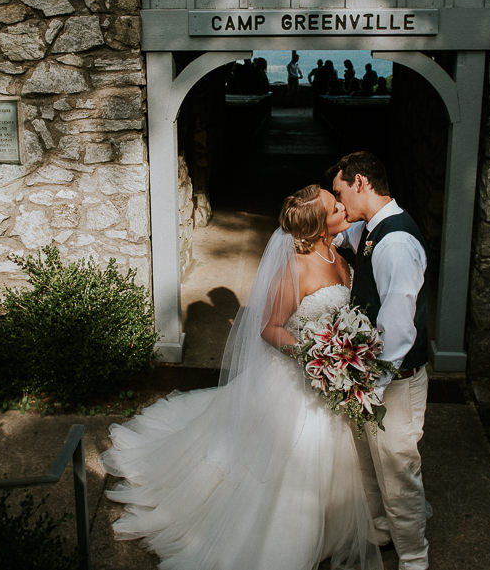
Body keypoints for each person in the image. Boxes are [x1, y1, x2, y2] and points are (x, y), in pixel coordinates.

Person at [102, 185, 381, 570]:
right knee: (282, 464)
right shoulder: (296, 267)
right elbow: (270, 327)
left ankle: (326, 530)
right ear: (321, 226)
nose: (344, 208)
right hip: (299, 378)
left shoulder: (338, 252)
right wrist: (316, 357)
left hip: (328, 379)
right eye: (336, 208)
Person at [329, 151, 430, 570]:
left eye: (340, 193)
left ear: (361, 183)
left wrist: (371, 387)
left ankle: (414, 558)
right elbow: (338, 239)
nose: (340, 203)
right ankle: (383, 529)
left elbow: (400, 328)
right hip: (371, 378)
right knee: (371, 463)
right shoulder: (370, 229)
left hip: (394, 380)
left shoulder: (397, 242)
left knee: (398, 469)